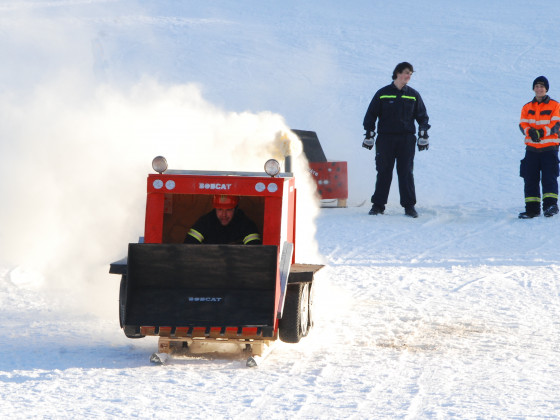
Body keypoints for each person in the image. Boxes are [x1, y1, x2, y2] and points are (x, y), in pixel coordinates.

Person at [362, 62, 431, 218]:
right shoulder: (383, 93)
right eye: (407, 73)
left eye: (411, 74)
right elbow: (371, 114)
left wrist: (423, 134)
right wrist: (369, 134)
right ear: (398, 73)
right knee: (384, 171)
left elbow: (422, 116)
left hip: (406, 139)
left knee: (406, 172)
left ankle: (409, 206)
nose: (409, 76)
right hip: (385, 139)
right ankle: (378, 205)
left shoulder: (413, 95)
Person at [518, 76, 560, 219]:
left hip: (549, 149)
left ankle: (550, 206)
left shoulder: (555, 106)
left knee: (549, 178)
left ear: (546, 89)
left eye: (542, 86)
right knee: (530, 179)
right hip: (532, 150)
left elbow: (556, 124)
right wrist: (530, 132)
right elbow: (522, 124)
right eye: (537, 86)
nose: (539, 88)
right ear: (533, 88)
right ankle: (532, 209)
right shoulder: (527, 107)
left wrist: (541, 132)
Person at [184, 195, 262, 244]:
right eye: (220, 209)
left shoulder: (246, 225)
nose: (224, 215)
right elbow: (188, 247)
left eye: (229, 210)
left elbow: (254, 253)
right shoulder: (205, 222)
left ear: (236, 209)